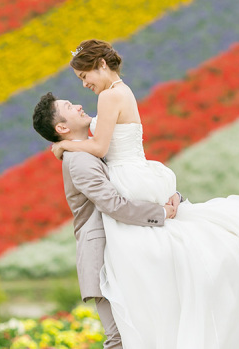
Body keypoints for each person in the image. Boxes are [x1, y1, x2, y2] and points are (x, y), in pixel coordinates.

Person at [49, 39, 239, 349]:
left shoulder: (108, 97)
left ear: (101, 66)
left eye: (84, 76)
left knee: (138, 263)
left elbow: (100, 147)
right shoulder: (123, 91)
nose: (84, 85)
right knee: (169, 255)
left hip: (127, 177)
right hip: (139, 172)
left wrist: (64, 145)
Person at [32, 92, 182, 349]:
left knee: (144, 333)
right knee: (120, 338)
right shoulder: (79, 160)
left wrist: (173, 197)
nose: (79, 104)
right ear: (62, 127)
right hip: (103, 258)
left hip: (126, 252)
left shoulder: (94, 148)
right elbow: (114, 205)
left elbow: (133, 182)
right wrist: (161, 212)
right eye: (69, 106)